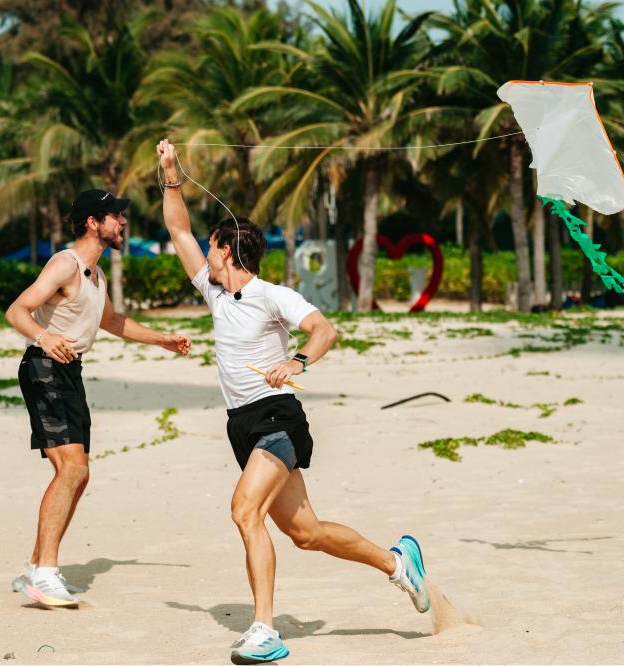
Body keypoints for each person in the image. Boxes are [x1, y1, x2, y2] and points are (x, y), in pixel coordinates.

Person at [156, 139, 430, 665]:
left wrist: (298, 361)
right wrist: (171, 173)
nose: (205, 253)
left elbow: (324, 329)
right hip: (242, 424)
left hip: (276, 418)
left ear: (228, 251)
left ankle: (265, 630)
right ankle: (398, 565)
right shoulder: (215, 293)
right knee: (307, 533)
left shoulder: (272, 295)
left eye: (212, 247)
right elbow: (178, 230)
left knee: (244, 511)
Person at [4, 189, 191, 607]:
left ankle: (35, 568)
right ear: (93, 222)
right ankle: (45, 572)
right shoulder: (65, 264)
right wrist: (44, 336)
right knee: (71, 469)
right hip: (44, 369)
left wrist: (162, 339)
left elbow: (112, 321)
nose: (122, 222)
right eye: (115, 216)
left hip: (69, 372)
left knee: (79, 473)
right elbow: (17, 310)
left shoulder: (96, 276)